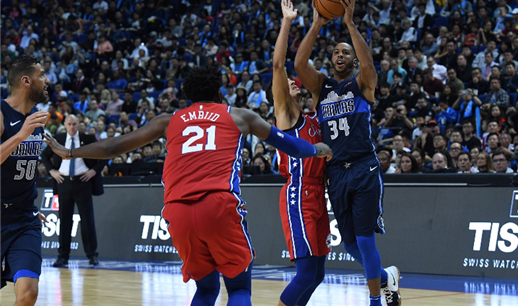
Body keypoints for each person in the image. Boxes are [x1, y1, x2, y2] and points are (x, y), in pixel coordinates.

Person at [44, 65, 332, 306]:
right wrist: (317, 149)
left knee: (206, 289)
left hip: (178, 211)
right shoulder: (239, 115)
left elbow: (112, 147)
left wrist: (68, 152)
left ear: (188, 95)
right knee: (239, 289)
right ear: (219, 92)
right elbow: (291, 145)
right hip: (218, 205)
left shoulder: (168, 120)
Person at [295, 0, 401, 306]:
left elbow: (368, 63)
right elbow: (299, 63)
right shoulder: (321, 86)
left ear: (353, 61)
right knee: (351, 244)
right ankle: (386, 277)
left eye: (345, 52)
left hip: (364, 167)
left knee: (365, 241)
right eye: (336, 52)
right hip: (336, 173)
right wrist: (316, 24)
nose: (340, 55)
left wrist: (350, 24)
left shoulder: (362, 84)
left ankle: (375, 299)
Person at [271, 0, 329, 306]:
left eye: (297, 84)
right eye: (289, 84)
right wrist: (287, 22)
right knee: (305, 274)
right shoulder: (286, 115)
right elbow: (279, 66)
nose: (294, 84)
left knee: (317, 275)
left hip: (319, 194)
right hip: (299, 192)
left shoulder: (314, 119)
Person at [1, 55, 50, 306]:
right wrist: (21, 134)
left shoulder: (37, 119)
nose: (47, 80)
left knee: (29, 292)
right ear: (26, 81)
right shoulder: (1, 113)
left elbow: (25, 169)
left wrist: (27, 204)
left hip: (24, 218)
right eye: (42, 75)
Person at [41, 114, 107, 267]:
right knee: (64, 221)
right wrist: (52, 171)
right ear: (64, 124)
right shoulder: (58, 138)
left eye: (74, 124)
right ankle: (62, 256)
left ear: (79, 124)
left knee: (87, 220)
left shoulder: (88, 139)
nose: (72, 127)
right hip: (63, 182)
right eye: (69, 124)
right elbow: (44, 155)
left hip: (82, 182)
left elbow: (104, 156)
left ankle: (92, 255)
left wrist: (93, 171)